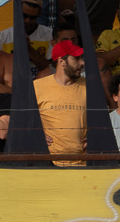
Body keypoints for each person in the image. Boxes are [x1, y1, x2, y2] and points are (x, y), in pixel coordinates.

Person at [35, 38, 89, 167]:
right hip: (46, 165)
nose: (82, 63)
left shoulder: (91, 87)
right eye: (76, 58)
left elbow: (103, 119)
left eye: (82, 58)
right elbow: (22, 121)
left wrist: (96, 136)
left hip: (84, 164)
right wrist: (36, 134)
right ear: (61, 61)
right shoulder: (36, 87)